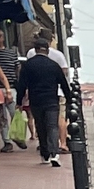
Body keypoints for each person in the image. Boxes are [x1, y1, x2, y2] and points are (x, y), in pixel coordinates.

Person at [17, 33, 69, 166]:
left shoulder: (28, 65)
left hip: (36, 101)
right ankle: (54, 153)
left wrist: (19, 102)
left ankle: (45, 154)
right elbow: (63, 83)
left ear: (35, 50)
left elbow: (21, 84)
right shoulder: (53, 65)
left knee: (41, 126)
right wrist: (69, 98)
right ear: (47, 49)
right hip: (51, 100)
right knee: (52, 126)